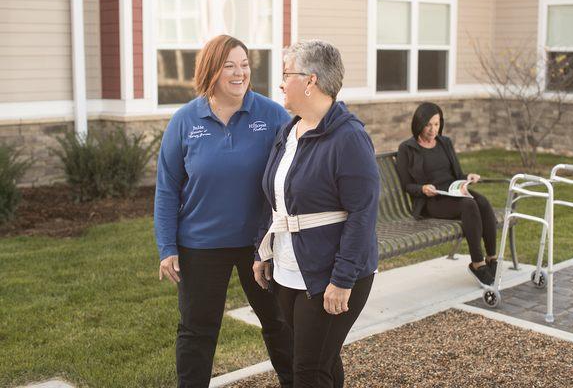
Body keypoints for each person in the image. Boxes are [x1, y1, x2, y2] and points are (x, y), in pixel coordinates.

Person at [154, 35, 293, 388]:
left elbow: (292, 172)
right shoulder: (185, 121)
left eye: (244, 65)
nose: (239, 73)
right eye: (229, 65)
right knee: (197, 331)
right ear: (211, 70)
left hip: (259, 244)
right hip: (201, 245)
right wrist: (167, 247)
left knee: (278, 322)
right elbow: (168, 188)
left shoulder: (272, 114)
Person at [252, 40, 380, 388]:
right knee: (319, 361)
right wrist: (264, 252)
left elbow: (363, 213)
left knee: (307, 370)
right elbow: (275, 197)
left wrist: (342, 279)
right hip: (289, 269)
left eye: (285, 74)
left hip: (331, 273)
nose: (280, 83)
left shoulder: (348, 137)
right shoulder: (289, 131)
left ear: (310, 81)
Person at [396, 102, 498, 287]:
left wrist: (468, 178)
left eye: (436, 124)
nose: (433, 129)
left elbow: (457, 174)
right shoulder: (407, 149)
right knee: (469, 205)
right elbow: (406, 185)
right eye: (428, 125)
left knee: (482, 202)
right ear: (419, 124)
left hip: (453, 191)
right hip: (432, 199)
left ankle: (492, 257)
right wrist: (422, 189)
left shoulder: (445, 142)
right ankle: (477, 263)